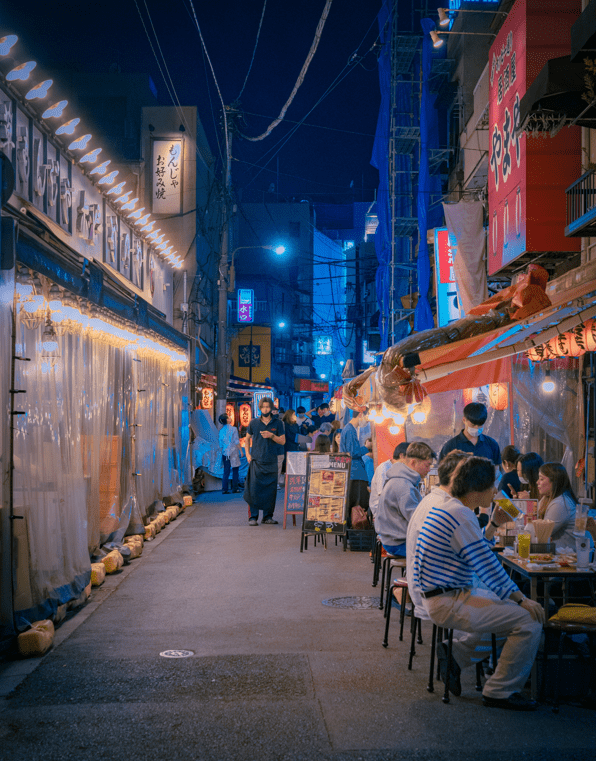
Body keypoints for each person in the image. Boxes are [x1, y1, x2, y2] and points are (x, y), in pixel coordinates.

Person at [414, 456, 545, 711]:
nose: (495, 491)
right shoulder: (460, 514)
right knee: (529, 620)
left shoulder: (451, 508)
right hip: (448, 601)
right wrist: (521, 598)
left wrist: (494, 524)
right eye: (491, 486)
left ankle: (455, 655)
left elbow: (476, 554)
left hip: (446, 595)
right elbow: (486, 564)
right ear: (476, 490)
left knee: (507, 608)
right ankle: (500, 690)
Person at [375, 441, 435, 557]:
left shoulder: (402, 480)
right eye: (427, 465)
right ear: (413, 462)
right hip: (398, 543)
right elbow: (416, 518)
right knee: (441, 553)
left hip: (393, 539)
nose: (428, 470)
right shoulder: (403, 485)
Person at [243, 397, 285, 526]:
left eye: (268, 407)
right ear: (260, 408)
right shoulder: (254, 423)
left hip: (272, 461)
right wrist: (247, 454)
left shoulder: (278, 423)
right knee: (253, 490)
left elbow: (283, 441)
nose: (266, 409)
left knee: (270, 491)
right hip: (256, 461)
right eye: (263, 407)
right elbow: (247, 439)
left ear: (271, 408)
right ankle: (253, 517)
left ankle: (268, 517)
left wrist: (271, 435)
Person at [439, 402, 501, 466]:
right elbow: (443, 471)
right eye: (473, 425)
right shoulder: (450, 446)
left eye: (480, 425)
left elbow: (496, 469)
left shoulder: (492, 444)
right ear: (464, 420)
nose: (477, 428)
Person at [536, 462, 577, 548]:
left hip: (568, 558)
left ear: (554, 481)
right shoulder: (547, 498)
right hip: (558, 556)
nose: (537, 482)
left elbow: (541, 533)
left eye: (541, 479)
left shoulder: (560, 504)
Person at [339, 412, 372, 513]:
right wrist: (367, 447)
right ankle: (356, 525)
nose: (367, 420)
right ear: (361, 415)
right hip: (354, 472)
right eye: (367, 417)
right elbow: (353, 452)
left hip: (354, 472)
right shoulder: (350, 430)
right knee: (357, 505)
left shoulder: (349, 429)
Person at [369, 442, 409, 522]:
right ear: (402, 456)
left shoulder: (400, 469)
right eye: (409, 458)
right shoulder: (384, 468)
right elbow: (383, 495)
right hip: (381, 513)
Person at [218, 414, 241, 494]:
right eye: (229, 417)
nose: (230, 418)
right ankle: (235, 488)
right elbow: (236, 441)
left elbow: (220, 444)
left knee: (226, 471)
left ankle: (224, 489)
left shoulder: (221, 431)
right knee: (235, 470)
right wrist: (241, 451)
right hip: (233, 452)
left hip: (225, 453)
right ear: (227, 420)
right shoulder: (234, 429)